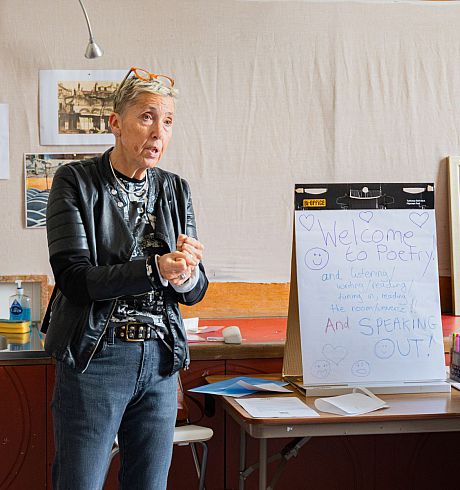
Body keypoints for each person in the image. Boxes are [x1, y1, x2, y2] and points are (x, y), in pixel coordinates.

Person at [41, 67, 208, 490]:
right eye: (147, 117)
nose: (158, 132)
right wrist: (155, 270)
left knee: (149, 485)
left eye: (167, 121)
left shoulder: (176, 189)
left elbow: (195, 290)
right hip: (96, 356)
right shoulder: (74, 181)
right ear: (116, 123)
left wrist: (186, 275)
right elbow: (75, 278)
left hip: (160, 359)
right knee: (81, 483)